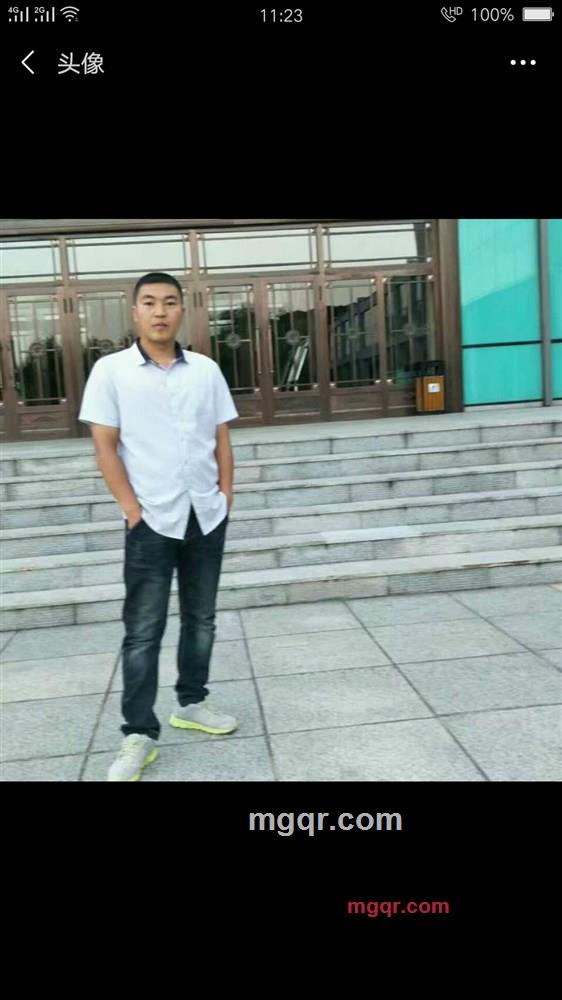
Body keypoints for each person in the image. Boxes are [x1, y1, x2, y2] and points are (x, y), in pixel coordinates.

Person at [79, 272, 240, 781]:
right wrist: (131, 508)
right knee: (144, 630)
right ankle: (138, 734)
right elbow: (105, 445)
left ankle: (192, 702)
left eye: (170, 302)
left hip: (205, 515)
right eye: (149, 302)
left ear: (181, 310)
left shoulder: (206, 370)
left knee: (201, 619)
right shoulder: (111, 371)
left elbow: (221, 437)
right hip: (151, 518)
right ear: (135, 312)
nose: (160, 311)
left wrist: (225, 494)